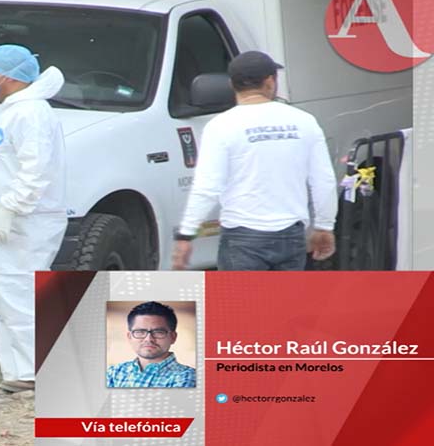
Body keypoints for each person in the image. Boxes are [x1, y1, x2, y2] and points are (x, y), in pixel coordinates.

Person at [171, 51, 337, 271]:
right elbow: (323, 180)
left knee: (243, 296)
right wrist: (324, 226)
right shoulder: (304, 122)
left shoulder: (221, 126)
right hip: (291, 236)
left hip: (242, 240)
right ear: (270, 81)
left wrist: (186, 234)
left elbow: (207, 187)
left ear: (232, 84)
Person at [0, 44, 67, 394]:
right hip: (11, 220)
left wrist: (11, 207)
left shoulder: (30, 113)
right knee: (9, 294)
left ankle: (33, 370)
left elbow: (35, 168)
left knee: (21, 292)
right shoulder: (17, 111)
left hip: (26, 220)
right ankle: (18, 370)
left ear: (8, 76)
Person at [106, 301, 195, 388]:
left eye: (158, 332)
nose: (148, 339)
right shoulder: (113, 373)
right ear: (129, 337)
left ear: (173, 337)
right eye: (140, 332)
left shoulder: (188, 377)